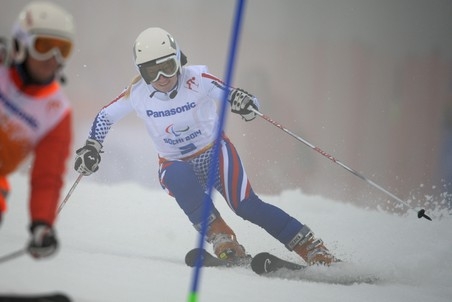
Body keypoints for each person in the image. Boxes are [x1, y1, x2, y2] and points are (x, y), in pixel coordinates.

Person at [74, 27, 338, 265]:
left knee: (246, 205)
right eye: (151, 71)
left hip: (215, 153)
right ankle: (222, 236)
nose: (163, 77)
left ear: (179, 59)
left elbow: (236, 95)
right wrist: (92, 147)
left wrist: (246, 103)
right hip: (174, 162)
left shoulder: (196, 79)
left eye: (168, 65)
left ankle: (311, 247)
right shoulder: (138, 94)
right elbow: (105, 116)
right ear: (140, 72)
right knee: (177, 176)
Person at [0, 1, 75, 259]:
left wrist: (42, 223)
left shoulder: (56, 112)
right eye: (44, 47)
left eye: (63, 50)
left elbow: (48, 175)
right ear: (21, 43)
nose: (53, 59)